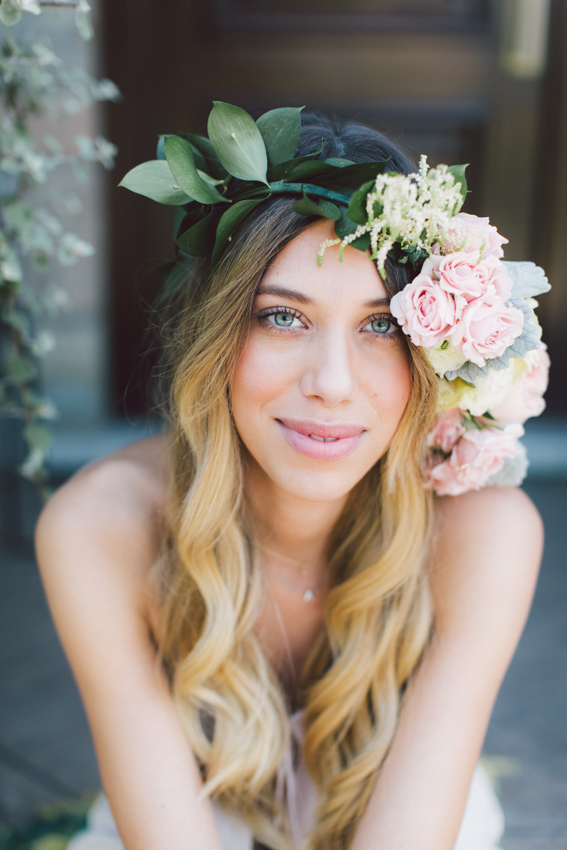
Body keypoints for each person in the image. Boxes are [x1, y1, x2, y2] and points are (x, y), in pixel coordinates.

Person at [35, 105, 548, 850]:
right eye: (282, 317)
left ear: (434, 352)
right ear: (215, 338)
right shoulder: (100, 530)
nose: (333, 384)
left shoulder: (482, 530)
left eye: (380, 325)